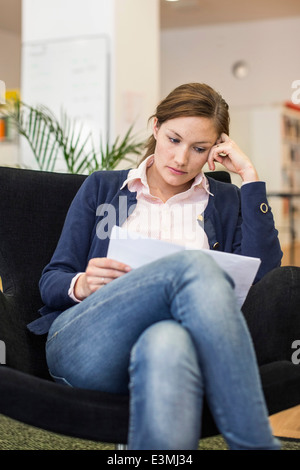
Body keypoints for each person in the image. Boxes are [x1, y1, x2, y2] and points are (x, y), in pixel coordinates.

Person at [28, 83, 282, 450]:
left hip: (181, 346)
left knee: (167, 343)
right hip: (87, 343)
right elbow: (51, 278)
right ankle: (255, 443)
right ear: (155, 128)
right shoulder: (103, 187)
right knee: (192, 266)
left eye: (199, 148)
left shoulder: (227, 201)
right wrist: (81, 284)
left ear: (216, 150)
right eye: (174, 139)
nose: (181, 159)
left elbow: (264, 276)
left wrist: (251, 178)